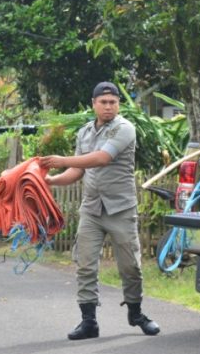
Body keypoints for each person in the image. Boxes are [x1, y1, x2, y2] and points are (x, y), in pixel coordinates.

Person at [39, 81, 160, 340]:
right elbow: (77, 171)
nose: (108, 107)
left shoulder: (125, 129)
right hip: (92, 209)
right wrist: (51, 180)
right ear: (93, 104)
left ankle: (136, 312)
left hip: (120, 209)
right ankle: (88, 322)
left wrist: (62, 160)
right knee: (85, 264)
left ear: (119, 105)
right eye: (103, 102)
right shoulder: (84, 133)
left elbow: (102, 158)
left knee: (130, 266)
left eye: (113, 102)